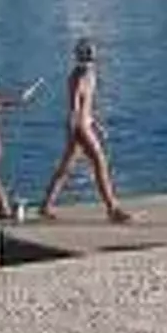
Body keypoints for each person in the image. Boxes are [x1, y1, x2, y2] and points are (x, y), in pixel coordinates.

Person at [40, 39, 133, 222]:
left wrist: (96, 124)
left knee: (66, 167)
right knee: (100, 162)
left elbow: (87, 106)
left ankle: (46, 205)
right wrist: (73, 128)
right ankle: (112, 208)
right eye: (88, 52)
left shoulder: (91, 74)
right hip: (79, 127)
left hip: (85, 124)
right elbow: (74, 106)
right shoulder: (79, 76)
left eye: (93, 52)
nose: (92, 56)